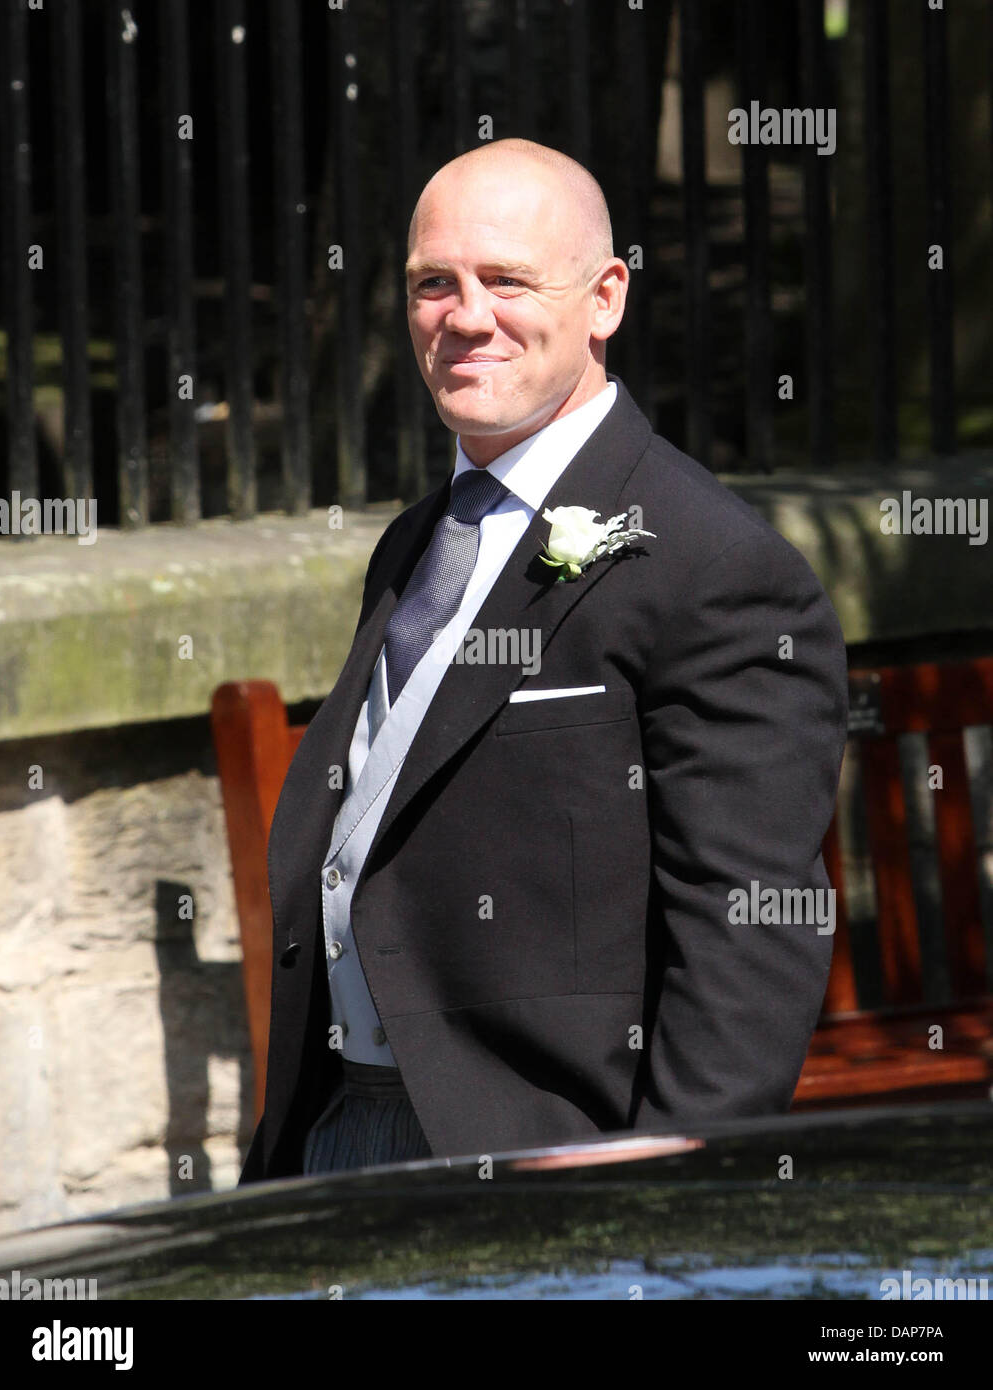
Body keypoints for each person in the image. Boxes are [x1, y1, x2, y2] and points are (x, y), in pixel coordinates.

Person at [238, 138, 847, 1183]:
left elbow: (746, 924)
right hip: (338, 1135)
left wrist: (658, 1190)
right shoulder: (418, 540)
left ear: (605, 298)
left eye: (507, 279)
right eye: (436, 282)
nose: (465, 316)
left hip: (541, 1160)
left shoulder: (713, 564)